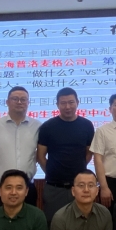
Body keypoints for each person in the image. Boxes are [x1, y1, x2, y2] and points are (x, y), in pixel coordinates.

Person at [37, 87, 95, 222]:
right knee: (54, 225)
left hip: (80, 187)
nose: (67, 107)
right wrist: (52, 171)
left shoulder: (87, 125)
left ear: (77, 102)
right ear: (57, 104)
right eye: (63, 103)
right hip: (54, 187)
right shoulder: (47, 127)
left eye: (71, 102)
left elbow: (88, 154)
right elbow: (40, 156)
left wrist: (77, 168)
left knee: (81, 225)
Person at [0, 86, 41, 212]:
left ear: (28, 102)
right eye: (15, 99)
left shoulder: (37, 126)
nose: (19, 102)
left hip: (26, 188)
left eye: (23, 99)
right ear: (7, 102)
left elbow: (42, 151)